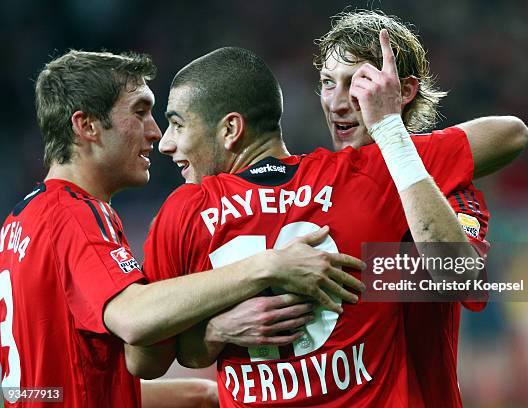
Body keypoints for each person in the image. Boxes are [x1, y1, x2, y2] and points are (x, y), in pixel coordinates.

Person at [164, 10, 528, 407]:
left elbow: (460, 279)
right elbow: (187, 349)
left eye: (358, 84)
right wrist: (219, 327)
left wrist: (389, 132)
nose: (338, 102)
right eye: (326, 83)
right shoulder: (307, 185)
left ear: (401, 92)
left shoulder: (446, 190)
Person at [0, 50, 364, 407]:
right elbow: (133, 318)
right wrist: (268, 266)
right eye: (140, 112)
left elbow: (66, 381)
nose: (157, 134)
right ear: (87, 126)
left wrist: (205, 383)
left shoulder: (21, 220)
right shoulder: (76, 215)